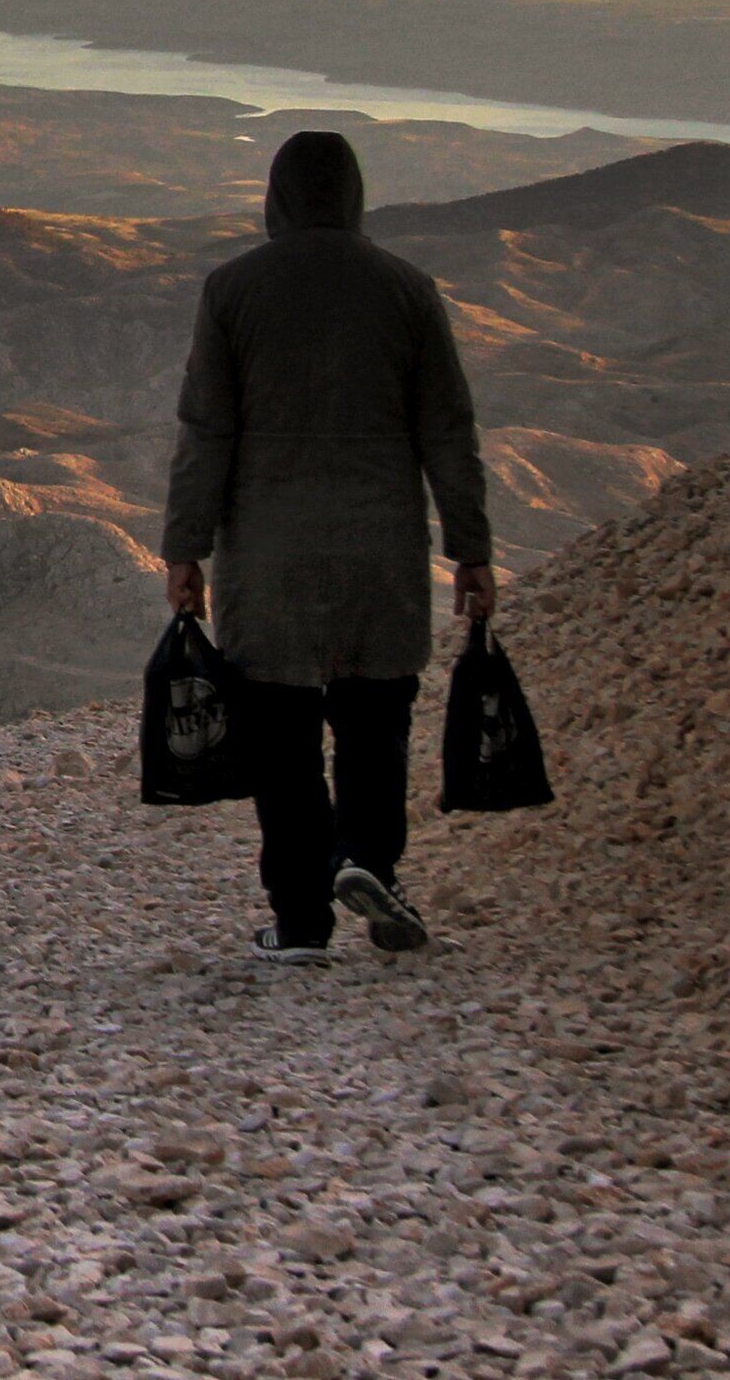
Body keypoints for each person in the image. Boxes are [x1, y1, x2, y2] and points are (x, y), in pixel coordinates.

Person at [161, 130, 496, 961]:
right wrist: (472, 549)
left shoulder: (233, 290)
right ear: (353, 195)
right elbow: (447, 430)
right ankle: (367, 857)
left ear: (276, 197)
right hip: (380, 549)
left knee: (282, 738)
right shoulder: (406, 289)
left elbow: (207, 430)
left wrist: (185, 548)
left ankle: (301, 920)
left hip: (270, 556)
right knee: (375, 718)